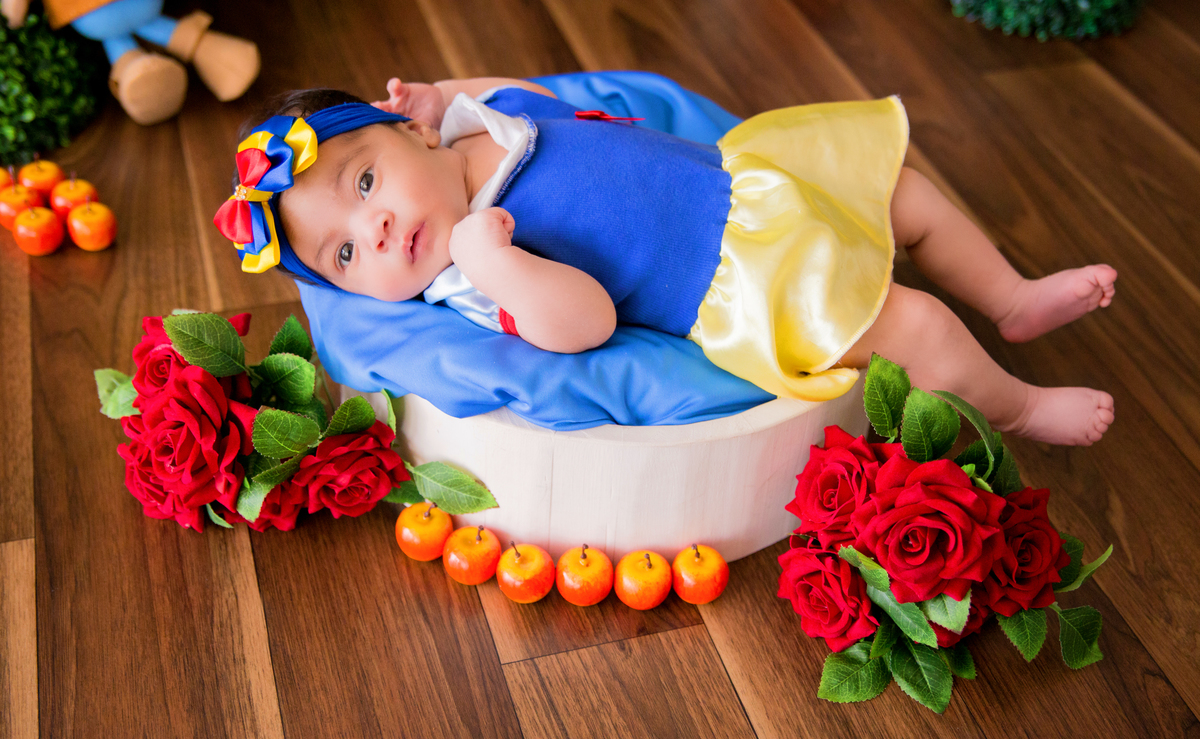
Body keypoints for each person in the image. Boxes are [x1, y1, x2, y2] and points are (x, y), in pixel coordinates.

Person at [215, 75, 1116, 446]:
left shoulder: (474, 124)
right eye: (344, 251)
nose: (374, 229)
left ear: (410, 131)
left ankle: (1011, 296)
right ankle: (1020, 405)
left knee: (904, 193)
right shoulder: (466, 271)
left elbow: (528, 96)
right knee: (915, 325)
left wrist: (444, 91)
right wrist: (501, 268)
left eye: (364, 180)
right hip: (740, 278)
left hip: (748, 181)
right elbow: (584, 324)